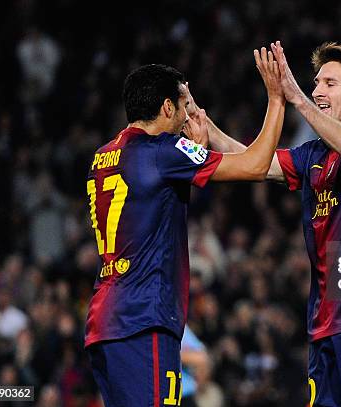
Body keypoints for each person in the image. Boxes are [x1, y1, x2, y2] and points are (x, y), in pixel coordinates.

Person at [189, 40, 341, 406]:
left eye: (329, 83)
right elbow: (254, 162)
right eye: (315, 83)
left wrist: (296, 98)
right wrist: (203, 123)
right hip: (326, 319)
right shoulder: (313, 154)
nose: (316, 90)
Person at [84, 47, 285, 407]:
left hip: (105, 321)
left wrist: (195, 152)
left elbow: (151, 203)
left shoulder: (102, 156)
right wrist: (276, 99)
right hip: (145, 319)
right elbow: (255, 166)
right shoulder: (163, 150)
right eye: (184, 105)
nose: (188, 114)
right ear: (166, 107)